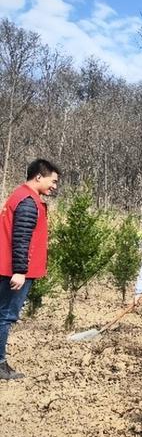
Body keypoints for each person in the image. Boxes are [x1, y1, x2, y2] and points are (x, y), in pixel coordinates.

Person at [0, 159, 60, 380]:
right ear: (38, 177)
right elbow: (21, 238)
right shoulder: (28, 202)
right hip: (12, 271)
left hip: (7, 267)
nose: (54, 186)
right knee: (6, 316)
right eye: (52, 181)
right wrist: (20, 270)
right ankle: (0, 364)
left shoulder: (20, 196)